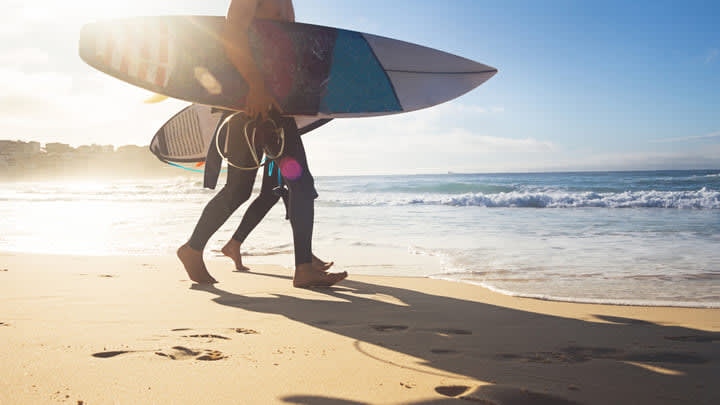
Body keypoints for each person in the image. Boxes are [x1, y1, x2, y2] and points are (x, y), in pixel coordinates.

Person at [177, 0, 347, 288]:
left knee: (248, 189)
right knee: (287, 185)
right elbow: (232, 36)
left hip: (275, 105)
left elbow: (287, 49)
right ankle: (303, 266)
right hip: (252, 103)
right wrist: (256, 87)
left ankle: (193, 249)